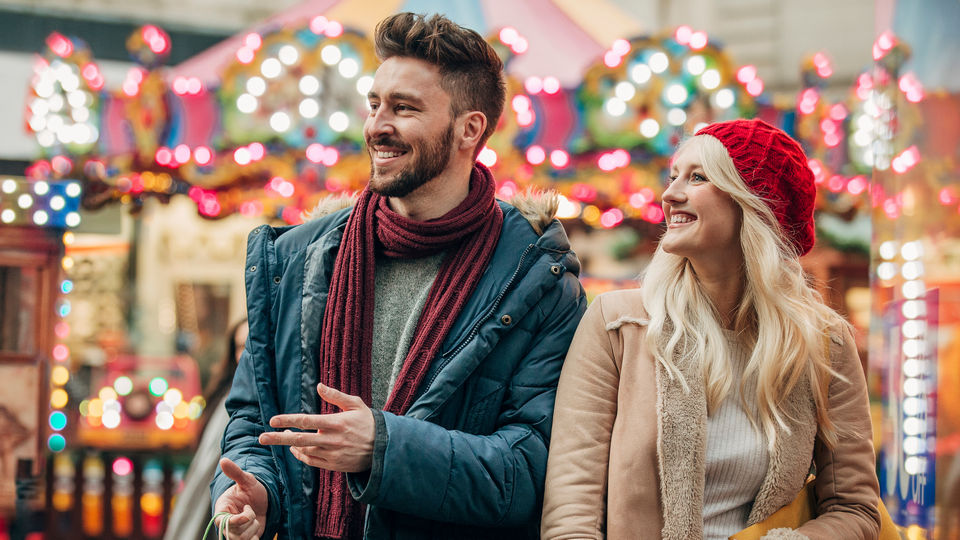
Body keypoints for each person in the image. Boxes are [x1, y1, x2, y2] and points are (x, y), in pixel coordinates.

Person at [211, 12, 586, 540]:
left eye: (403, 108)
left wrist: (383, 448)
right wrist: (255, 493)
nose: (376, 126)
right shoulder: (296, 260)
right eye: (374, 104)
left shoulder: (539, 281)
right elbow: (255, 423)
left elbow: (530, 468)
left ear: (469, 129)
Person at [541, 119, 881, 540]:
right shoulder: (619, 325)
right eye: (673, 176)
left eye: (697, 177)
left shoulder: (822, 342)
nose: (670, 194)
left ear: (753, 204)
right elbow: (572, 511)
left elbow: (855, 508)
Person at [163, 318, 247, 540]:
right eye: (240, 346)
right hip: (208, 497)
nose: (246, 354)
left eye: (251, 344)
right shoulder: (225, 398)